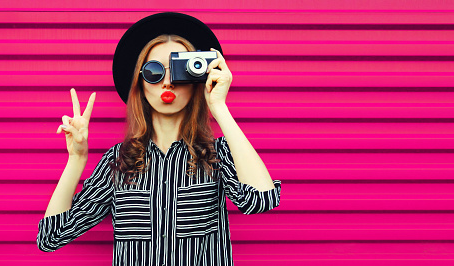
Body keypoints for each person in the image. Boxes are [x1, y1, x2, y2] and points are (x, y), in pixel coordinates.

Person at [37, 12, 282, 266]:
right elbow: (51, 236)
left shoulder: (217, 155)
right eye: (154, 71)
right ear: (140, 83)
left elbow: (262, 199)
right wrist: (77, 159)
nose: (167, 83)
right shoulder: (118, 161)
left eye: (179, 70)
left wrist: (219, 107)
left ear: (198, 78)